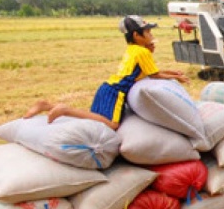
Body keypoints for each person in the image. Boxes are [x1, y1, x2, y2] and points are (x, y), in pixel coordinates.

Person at [24, 15, 188, 130]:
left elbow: (149, 71)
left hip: (107, 87)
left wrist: (173, 72)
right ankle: (64, 110)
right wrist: (176, 78)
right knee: (112, 125)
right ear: (137, 35)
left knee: (94, 119)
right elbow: (155, 75)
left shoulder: (133, 49)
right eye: (148, 32)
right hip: (117, 93)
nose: (151, 35)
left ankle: (46, 106)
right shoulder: (142, 52)